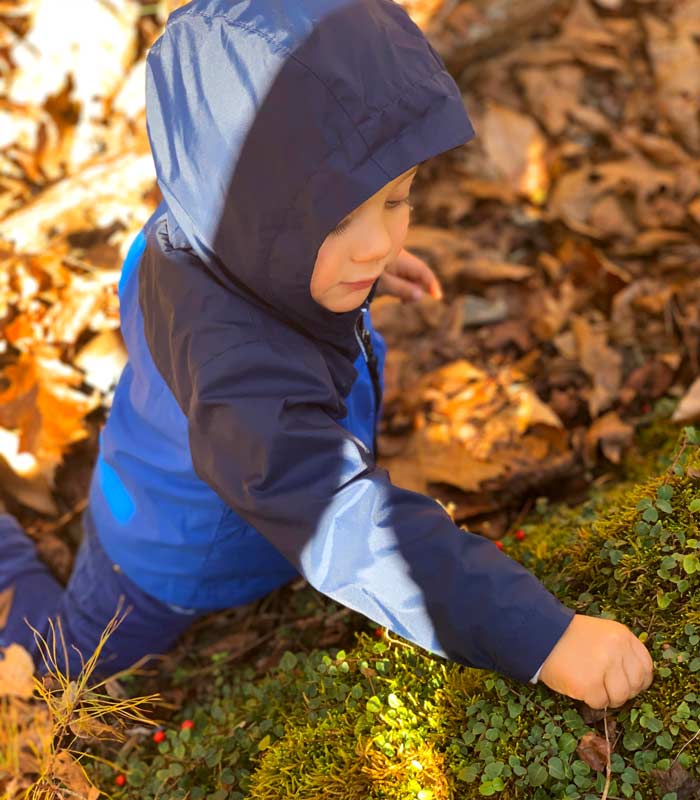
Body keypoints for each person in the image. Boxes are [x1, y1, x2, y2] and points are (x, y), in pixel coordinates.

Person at [0, 0, 653, 710]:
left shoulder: (198, 232)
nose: (380, 243)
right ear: (247, 217)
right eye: (339, 219)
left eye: (397, 199)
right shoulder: (240, 375)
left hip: (209, 471)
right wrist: (539, 636)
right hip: (163, 556)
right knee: (55, 670)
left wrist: (349, 275)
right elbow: (340, 519)